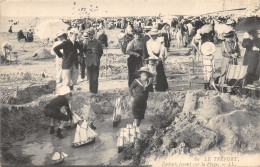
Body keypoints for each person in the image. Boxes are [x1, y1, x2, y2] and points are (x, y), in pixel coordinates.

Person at [83, 28, 103, 94]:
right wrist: (88, 56)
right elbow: (84, 51)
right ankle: (91, 91)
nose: (90, 36)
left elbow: (101, 52)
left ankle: (95, 91)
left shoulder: (98, 42)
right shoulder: (85, 42)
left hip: (95, 62)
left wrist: (96, 57)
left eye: (91, 34)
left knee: (95, 78)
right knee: (90, 78)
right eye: (89, 35)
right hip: (88, 62)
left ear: (94, 34)